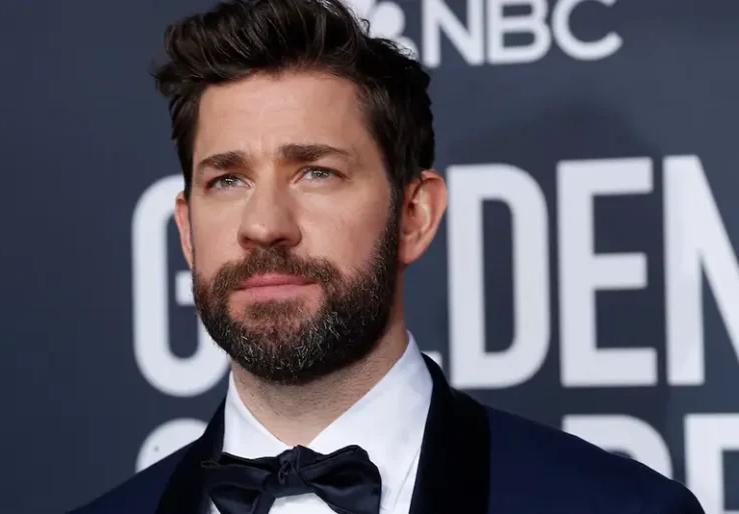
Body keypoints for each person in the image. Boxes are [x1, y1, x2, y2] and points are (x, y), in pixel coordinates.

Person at [70, 0, 705, 512]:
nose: (264, 226)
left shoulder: (621, 506)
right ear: (186, 230)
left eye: (315, 172)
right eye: (227, 180)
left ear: (414, 215)